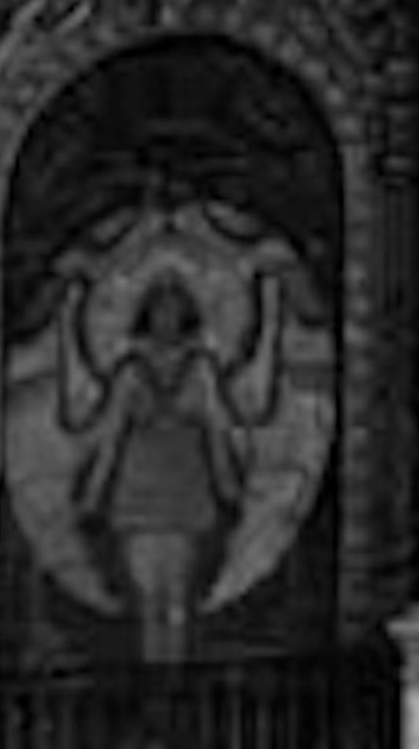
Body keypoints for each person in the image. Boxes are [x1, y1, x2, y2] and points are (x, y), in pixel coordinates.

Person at [57, 264, 282, 662]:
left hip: (186, 497)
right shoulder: (129, 374)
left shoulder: (201, 370)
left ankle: (174, 684)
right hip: (137, 499)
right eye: (159, 306)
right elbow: (108, 435)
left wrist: (230, 487)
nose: (167, 315)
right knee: (148, 603)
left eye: (174, 306)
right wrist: (92, 497)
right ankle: (153, 687)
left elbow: (219, 429)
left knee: (177, 603)